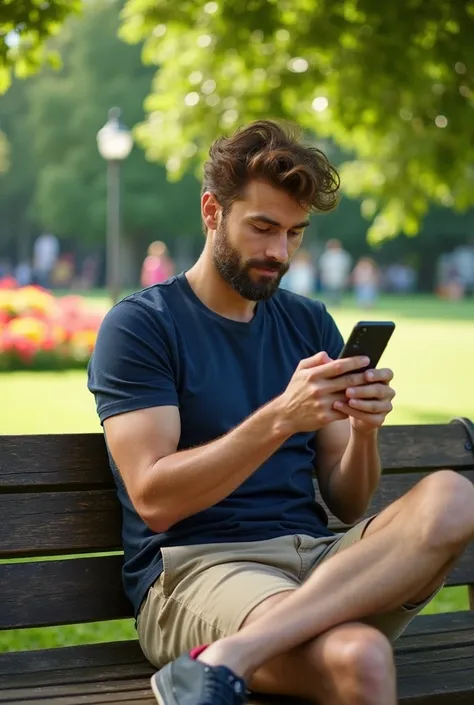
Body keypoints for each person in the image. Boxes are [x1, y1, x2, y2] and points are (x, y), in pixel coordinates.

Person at [88, 120, 474, 705]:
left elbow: (346, 502)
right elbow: (155, 499)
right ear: (212, 211)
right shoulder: (142, 326)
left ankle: (223, 662)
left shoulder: (307, 321)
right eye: (263, 228)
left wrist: (365, 433)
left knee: (453, 496)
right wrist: (281, 418)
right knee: (363, 659)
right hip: (199, 569)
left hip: (317, 562)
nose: (279, 252)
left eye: (295, 234)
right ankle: (216, 657)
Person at [318, 238, 352, 305]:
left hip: (340, 277)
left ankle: (337, 304)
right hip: (329, 277)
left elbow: (346, 267)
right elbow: (323, 268)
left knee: (338, 293)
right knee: (329, 293)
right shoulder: (326, 256)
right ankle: (330, 304)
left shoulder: (343, 255)